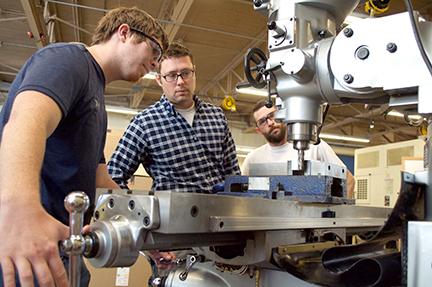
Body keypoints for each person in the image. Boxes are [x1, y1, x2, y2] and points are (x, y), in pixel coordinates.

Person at [0, 7, 168, 287]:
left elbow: (98, 178)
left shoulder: (95, 94)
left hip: (60, 244)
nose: (155, 64)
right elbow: (24, 123)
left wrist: (147, 232)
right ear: (124, 32)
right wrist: (20, 211)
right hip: (28, 245)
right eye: (154, 51)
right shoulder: (68, 60)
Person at [108, 42, 240, 193]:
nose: (181, 82)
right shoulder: (145, 123)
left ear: (194, 72)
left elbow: (234, 175)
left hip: (218, 213)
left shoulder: (216, 117)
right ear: (159, 79)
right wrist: (143, 210)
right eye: (171, 75)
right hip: (171, 215)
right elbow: (114, 175)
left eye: (185, 73)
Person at [241, 100, 355, 198]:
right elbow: (241, 192)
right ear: (258, 130)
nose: (270, 123)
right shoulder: (252, 159)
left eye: (272, 115)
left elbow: (348, 180)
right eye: (262, 121)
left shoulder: (315, 146)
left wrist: (337, 216)